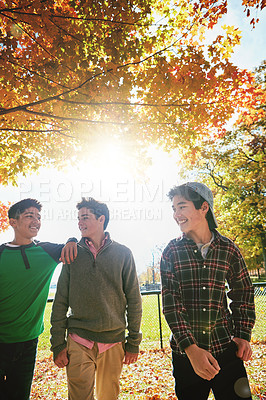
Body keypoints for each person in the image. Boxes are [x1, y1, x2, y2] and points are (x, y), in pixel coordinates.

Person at [160, 182, 255, 400]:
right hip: (186, 356)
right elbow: (171, 305)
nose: (176, 214)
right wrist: (192, 350)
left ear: (204, 208)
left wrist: (242, 335)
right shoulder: (171, 251)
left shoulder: (227, 248)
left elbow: (243, 292)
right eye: (174, 208)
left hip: (225, 351)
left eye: (182, 206)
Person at [50, 197, 142, 400]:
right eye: (78, 218)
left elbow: (134, 300)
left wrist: (134, 341)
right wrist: (58, 343)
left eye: (85, 217)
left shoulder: (123, 253)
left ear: (101, 219)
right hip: (78, 339)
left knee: (109, 397)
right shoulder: (72, 253)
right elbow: (60, 301)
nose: (80, 222)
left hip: (113, 342)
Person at [0, 198, 77, 400]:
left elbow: (72, 247)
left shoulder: (47, 251)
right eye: (29, 216)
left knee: (20, 395)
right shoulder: (0, 253)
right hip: (0, 339)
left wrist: (72, 239)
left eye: (38, 217)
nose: (36, 221)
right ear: (13, 222)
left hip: (28, 342)